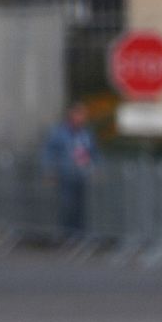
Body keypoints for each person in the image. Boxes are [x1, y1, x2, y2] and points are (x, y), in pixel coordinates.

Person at [42, 103, 98, 241]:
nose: (82, 118)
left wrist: (96, 168)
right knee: (67, 205)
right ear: (71, 116)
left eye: (83, 115)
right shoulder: (59, 133)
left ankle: (79, 235)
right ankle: (66, 235)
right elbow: (49, 152)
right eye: (79, 115)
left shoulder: (86, 134)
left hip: (82, 175)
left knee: (81, 207)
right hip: (66, 175)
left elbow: (94, 153)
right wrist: (49, 171)